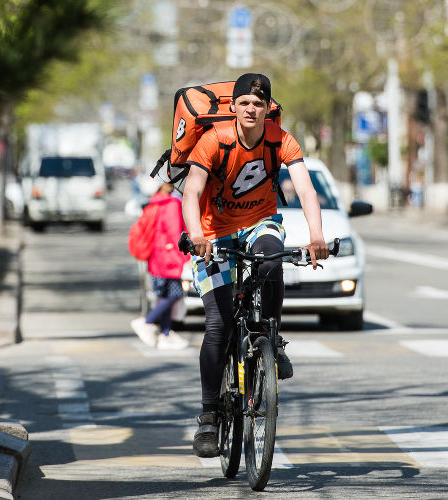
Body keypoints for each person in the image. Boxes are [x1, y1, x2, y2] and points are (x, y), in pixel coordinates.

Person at [181, 73, 329, 457]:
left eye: (258, 104)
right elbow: (193, 189)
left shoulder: (282, 140)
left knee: (272, 257)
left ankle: (272, 339)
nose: (251, 109)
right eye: (244, 103)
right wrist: (196, 234)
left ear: (267, 108)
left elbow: (306, 189)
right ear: (233, 107)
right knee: (219, 324)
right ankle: (209, 418)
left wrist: (316, 237)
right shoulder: (214, 141)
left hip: (259, 222)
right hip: (213, 233)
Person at [130, 182, 191, 350]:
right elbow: (173, 234)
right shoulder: (171, 204)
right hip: (169, 257)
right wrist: (184, 256)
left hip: (158, 257)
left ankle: (165, 334)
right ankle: (147, 321)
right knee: (175, 294)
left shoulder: (156, 201)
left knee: (164, 296)